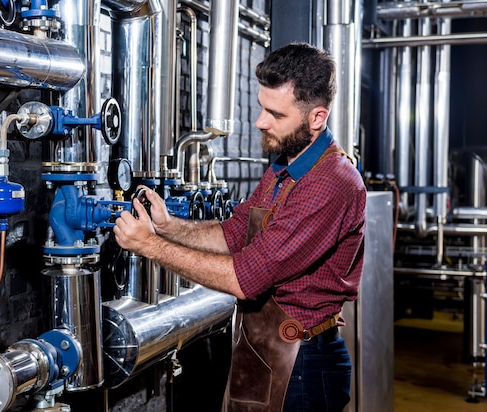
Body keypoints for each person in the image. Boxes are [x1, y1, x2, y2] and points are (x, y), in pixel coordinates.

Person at [113, 42, 367, 412]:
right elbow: (234, 233)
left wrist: (150, 246)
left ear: (317, 118)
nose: (261, 121)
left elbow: (243, 279)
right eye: (262, 107)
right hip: (262, 351)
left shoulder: (330, 183)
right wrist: (167, 226)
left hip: (301, 364)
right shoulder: (286, 166)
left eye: (275, 114)